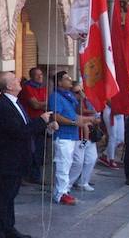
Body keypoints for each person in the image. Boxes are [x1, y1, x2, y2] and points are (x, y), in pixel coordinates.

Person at [0, 72, 54, 238]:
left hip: (18, 157)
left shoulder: (15, 102)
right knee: (4, 197)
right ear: (9, 86)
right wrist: (41, 121)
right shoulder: (3, 105)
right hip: (10, 158)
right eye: (16, 80)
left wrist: (44, 124)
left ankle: (9, 227)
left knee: (11, 196)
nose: (20, 82)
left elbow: (25, 124)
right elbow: (19, 131)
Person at [49, 72, 90, 205]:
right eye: (67, 79)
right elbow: (55, 116)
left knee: (72, 163)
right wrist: (74, 123)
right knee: (63, 164)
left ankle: (64, 189)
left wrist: (82, 98)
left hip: (72, 135)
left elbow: (77, 113)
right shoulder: (55, 97)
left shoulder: (69, 96)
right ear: (59, 82)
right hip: (63, 135)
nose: (70, 80)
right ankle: (60, 193)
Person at [19, 67, 48, 184]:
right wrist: (48, 103)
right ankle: (28, 175)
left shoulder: (43, 87)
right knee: (30, 149)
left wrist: (44, 104)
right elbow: (35, 104)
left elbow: (42, 103)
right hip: (31, 122)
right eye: (37, 75)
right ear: (32, 76)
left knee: (40, 150)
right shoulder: (27, 87)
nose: (40, 77)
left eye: (41, 74)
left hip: (42, 122)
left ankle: (36, 175)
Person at [71, 85, 100, 193]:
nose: (81, 93)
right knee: (78, 162)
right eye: (77, 92)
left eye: (82, 91)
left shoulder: (87, 100)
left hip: (89, 135)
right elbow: (79, 112)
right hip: (78, 135)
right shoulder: (73, 102)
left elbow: (95, 112)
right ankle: (68, 184)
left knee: (92, 158)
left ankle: (83, 182)